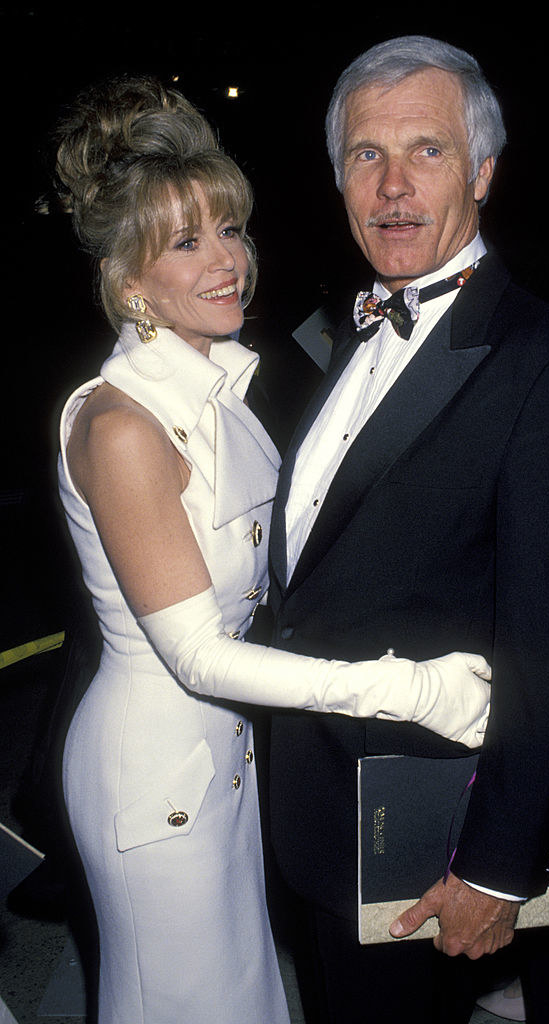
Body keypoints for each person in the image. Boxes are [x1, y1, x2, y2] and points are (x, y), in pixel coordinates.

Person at [53, 76, 494, 1024]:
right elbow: (198, 653)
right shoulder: (123, 427)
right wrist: (407, 687)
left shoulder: (216, 395)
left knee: (246, 995)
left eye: (232, 230)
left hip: (225, 757)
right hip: (156, 773)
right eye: (187, 242)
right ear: (130, 282)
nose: (228, 263)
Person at [266, 35, 549, 1023]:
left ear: (483, 170)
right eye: (364, 156)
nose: (390, 186)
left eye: (424, 150)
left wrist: (503, 869)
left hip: (427, 836)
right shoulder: (350, 333)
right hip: (312, 807)